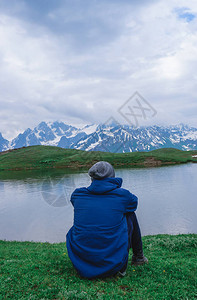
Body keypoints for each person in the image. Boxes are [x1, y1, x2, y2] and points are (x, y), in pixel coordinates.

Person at [66, 161, 148, 279]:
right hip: (114, 266)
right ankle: (138, 257)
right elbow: (134, 203)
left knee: (87, 220)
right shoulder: (123, 196)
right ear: (112, 176)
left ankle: (88, 261)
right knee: (129, 214)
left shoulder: (78, 194)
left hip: (81, 265)